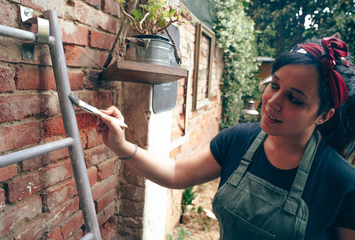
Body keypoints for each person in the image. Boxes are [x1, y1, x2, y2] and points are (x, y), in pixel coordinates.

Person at [96, 37, 355, 240]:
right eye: (274, 85)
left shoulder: (342, 183)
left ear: (324, 115)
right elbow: (176, 173)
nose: (273, 102)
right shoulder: (238, 140)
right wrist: (122, 145)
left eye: (295, 99)